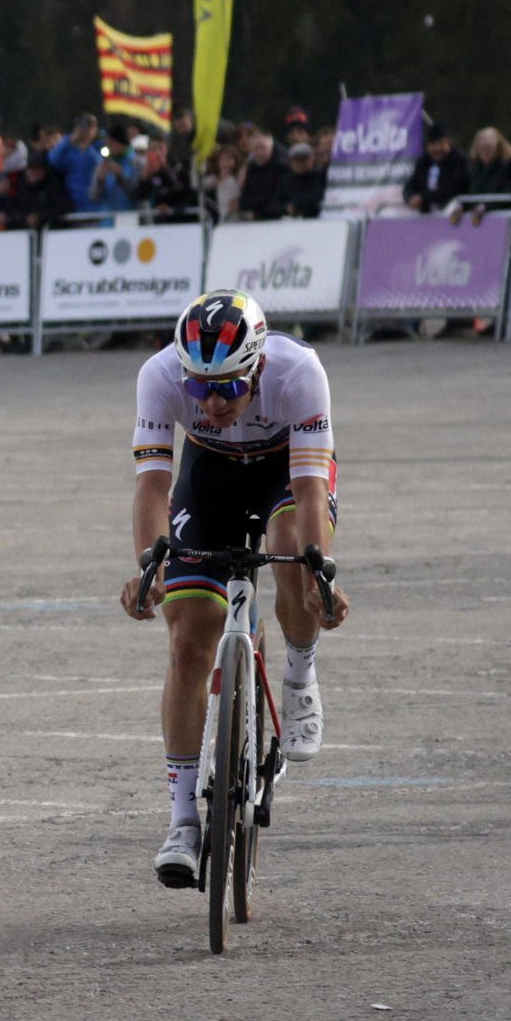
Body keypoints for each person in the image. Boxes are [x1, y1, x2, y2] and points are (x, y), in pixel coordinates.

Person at [120, 290, 351, 887]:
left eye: (226, 387)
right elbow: (152, 485)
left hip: (283, 470)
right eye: (199, 388)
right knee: (187, 642)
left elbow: (307, 492)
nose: (212, 401)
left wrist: (320, 571)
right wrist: (149, 565)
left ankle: (300, 674)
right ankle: (181, 821)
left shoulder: (299, 372)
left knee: (296, 564)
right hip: (210, 477)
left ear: (258, 367)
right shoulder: (160, 374)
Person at [404, 123, 470, 213]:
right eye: (433, 144)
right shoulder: (423, 162)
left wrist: (423, 198)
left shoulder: (460, 160)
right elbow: (410, 185)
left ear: (449, 143)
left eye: (441, 144)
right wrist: (409, 197)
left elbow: (452, 189)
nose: (437, 149)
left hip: (453, 214)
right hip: (426, 215)